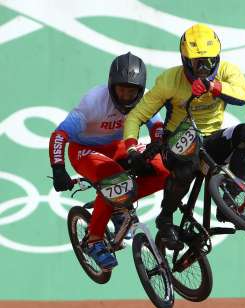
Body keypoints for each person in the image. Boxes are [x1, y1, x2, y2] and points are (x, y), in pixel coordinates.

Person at [122, 23, 245, 250]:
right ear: (185, 61)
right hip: (176, 140)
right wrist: (130, 148)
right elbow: (136, 116)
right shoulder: (169, 81)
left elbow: (243, 94)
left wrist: (213, 86)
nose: (204, 68)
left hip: (211, 138)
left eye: (209, 61)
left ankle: (229, 202)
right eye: (197, 63)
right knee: (188, 163)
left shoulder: (227, 71)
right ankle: (165, 219)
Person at [49, 52, 167, 270]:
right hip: (84, 150)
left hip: (120, 147)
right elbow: (59, 135)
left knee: (165, 170)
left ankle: (117, 204)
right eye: (121, 90)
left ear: (140, 90)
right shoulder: (93, 101)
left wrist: (155, 147)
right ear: (111, 85)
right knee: (114, 180)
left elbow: (157, 128)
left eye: (131, 91)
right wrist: (58, 168)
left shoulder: (145, 98)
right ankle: (94, 240)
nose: (125, 96)